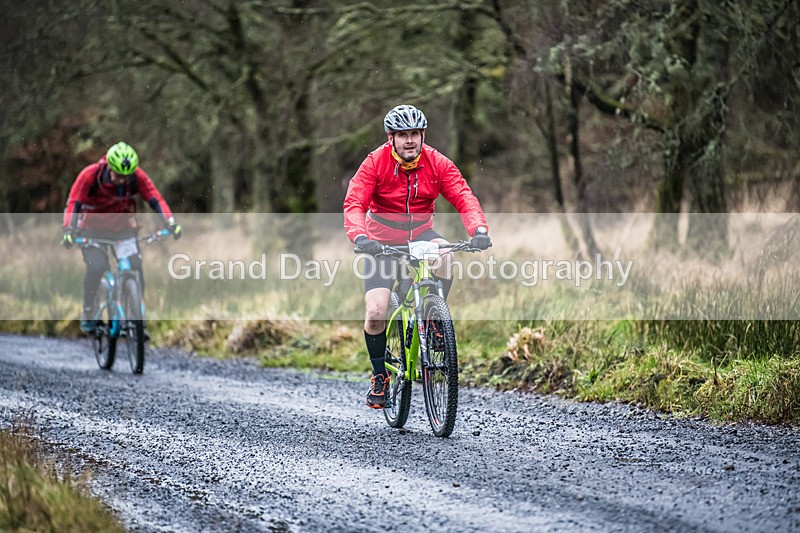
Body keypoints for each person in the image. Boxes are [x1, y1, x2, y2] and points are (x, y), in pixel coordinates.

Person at [344, 104, 492, 408]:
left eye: (414, 133)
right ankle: (379, 376)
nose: (409, 140)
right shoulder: (375, 163)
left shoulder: (437, 163)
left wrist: (478, 230)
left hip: (420, 235)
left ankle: (435, 320)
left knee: (447, 255)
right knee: (376, 312)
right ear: (391, 138)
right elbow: (355, 202)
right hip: (381, 242)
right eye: (402, 135)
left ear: (423, 135)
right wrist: (360, 237)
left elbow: (463, 197)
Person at [60, 141, 182, 334]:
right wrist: (69, 229)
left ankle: (137, 318)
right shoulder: (90, 175)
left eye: (126, 176)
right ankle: (88, 311)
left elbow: (154, 198)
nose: (122, 181)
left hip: (123, 229)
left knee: (135, 267)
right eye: (118, 176)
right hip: (92, 230)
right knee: (97, 267)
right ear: (109, 167)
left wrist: (170, 222)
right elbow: (74, 202)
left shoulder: (136, 176)